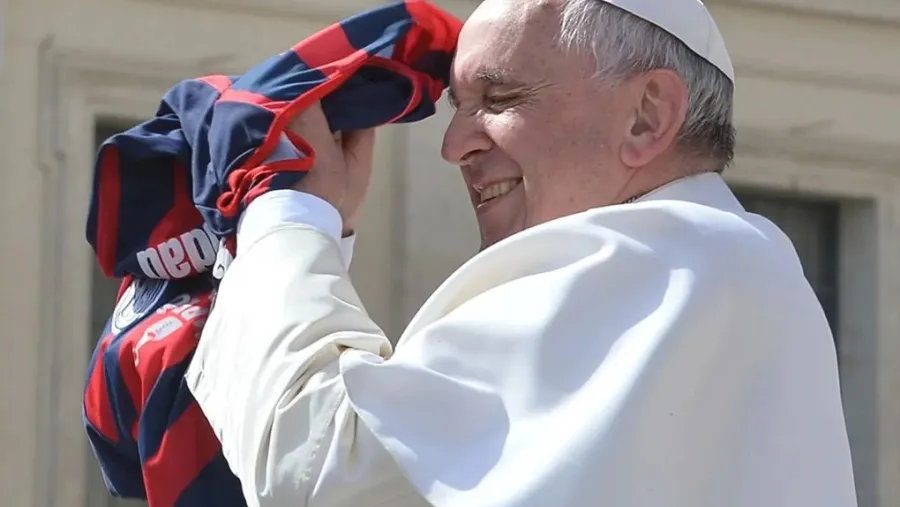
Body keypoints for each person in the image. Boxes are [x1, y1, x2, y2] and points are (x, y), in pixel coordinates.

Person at [184, 0, 859, 506]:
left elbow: (320, 466)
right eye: (457, 105)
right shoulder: (732, 265)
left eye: (500, 98)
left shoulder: (671, 260)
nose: (454, 145)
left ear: (648, 115)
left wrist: (285, 212)